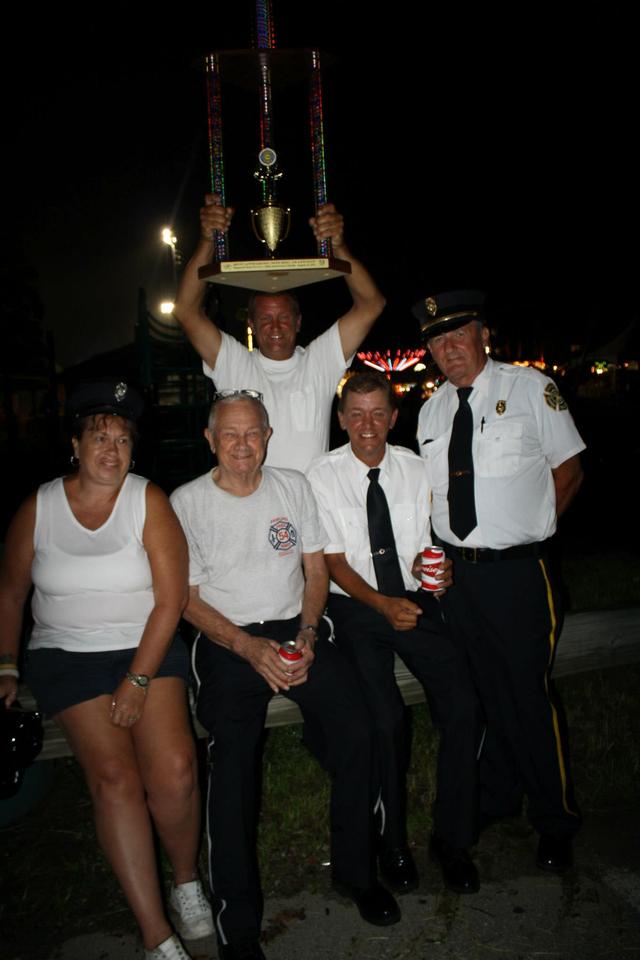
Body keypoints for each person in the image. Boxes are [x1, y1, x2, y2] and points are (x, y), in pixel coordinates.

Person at [170, 391, 400, 960]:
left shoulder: (292, 485)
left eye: (253, 433)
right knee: (233, 765)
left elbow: (315, 567)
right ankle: (238, 926)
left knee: (359, 730)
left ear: (268, 436)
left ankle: (355, 870)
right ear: (210, 439)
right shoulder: (187, 502)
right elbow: (187, 600)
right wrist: (248, 647)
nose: (243, 445)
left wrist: (307, 629)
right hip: (226, 638)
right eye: (230, 434)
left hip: (295, 632)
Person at [0, 380, 213, 960]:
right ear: (75, 444)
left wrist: (138, 678)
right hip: (65, 657)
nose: (112, 448)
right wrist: (7, 664)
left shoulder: (148, 501)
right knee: (115, 781)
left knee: (174, 770)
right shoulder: (38, 507)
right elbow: (10, 594)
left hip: (146, 644)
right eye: (100, 436)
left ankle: (187, 882)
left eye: (123, 439)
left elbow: (170, 602)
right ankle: (155, 934)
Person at [415, 290, 585, 873]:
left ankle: (555, 820)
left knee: (528, 698)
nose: (448, 347)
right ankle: (497, 798)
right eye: (437, 339)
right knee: (483, 698)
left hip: (518, 576)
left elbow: (569, 470)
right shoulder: (431, 409)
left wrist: (533, 532)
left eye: (458, 333)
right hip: (459, 580)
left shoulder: (531, 389)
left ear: (483, 333)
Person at [306, 371, 482, 896]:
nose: (367, 425)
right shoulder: (320, 476)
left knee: (465, 707)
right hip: (357, 606)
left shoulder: (415, 467)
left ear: (393, 416)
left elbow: (428, 542)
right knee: (385, 720)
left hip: (414, 600)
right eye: (356, 414)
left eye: (377, 413)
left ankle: (452, 839)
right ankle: (392, 843)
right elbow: (333, 562)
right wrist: (382, 605)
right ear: (341, 420)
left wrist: (441, 571)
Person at [173, 196, 385, 471]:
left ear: (298, 322)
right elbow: (185, 311)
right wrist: (206, 242)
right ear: (250, 324)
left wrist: (339, 247)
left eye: (284, 318)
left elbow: (372, 304)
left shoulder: (319, 360)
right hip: (250, 501)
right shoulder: (234, 362)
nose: (275, 328)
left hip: (310, 506)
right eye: (265, 319)